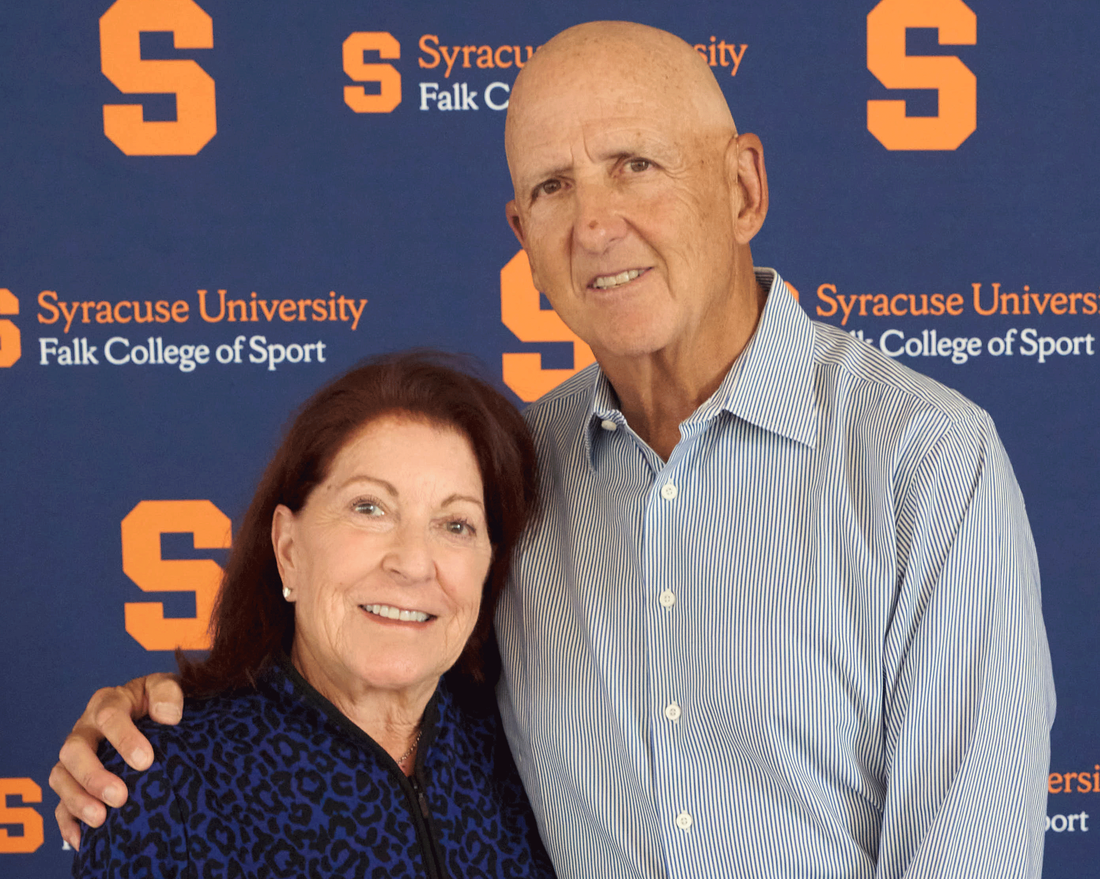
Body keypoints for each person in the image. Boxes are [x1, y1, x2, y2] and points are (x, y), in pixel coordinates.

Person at [53, 21, 1054, 879]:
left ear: (742, 187)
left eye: (635, 165)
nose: (595, 224)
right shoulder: (508, 473)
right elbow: (374, 667)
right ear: (519, 233)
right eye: (551, 187)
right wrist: (158, 725)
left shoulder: (924, 461)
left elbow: (969, 848)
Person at [69, 353, 555, 877]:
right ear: (289, 548)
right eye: (369, 508)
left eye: (456, 525)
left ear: (490, 564)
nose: (413, 562)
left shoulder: (534, 755)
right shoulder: (168, 782)